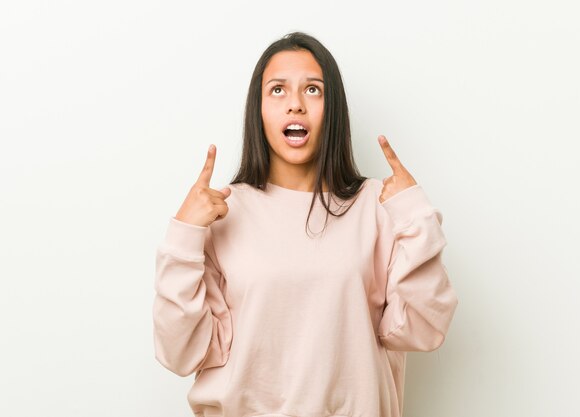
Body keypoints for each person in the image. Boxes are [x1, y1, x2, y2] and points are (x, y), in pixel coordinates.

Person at [152, 31, 459, 417]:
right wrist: (183, 235)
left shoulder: (377, 207)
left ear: (333, 108)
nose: (295, 105)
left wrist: (415, 215)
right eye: (277, 90)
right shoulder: (222, 214)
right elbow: (181, 353)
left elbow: (423, 328)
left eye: (313, 90)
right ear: (258, 110)